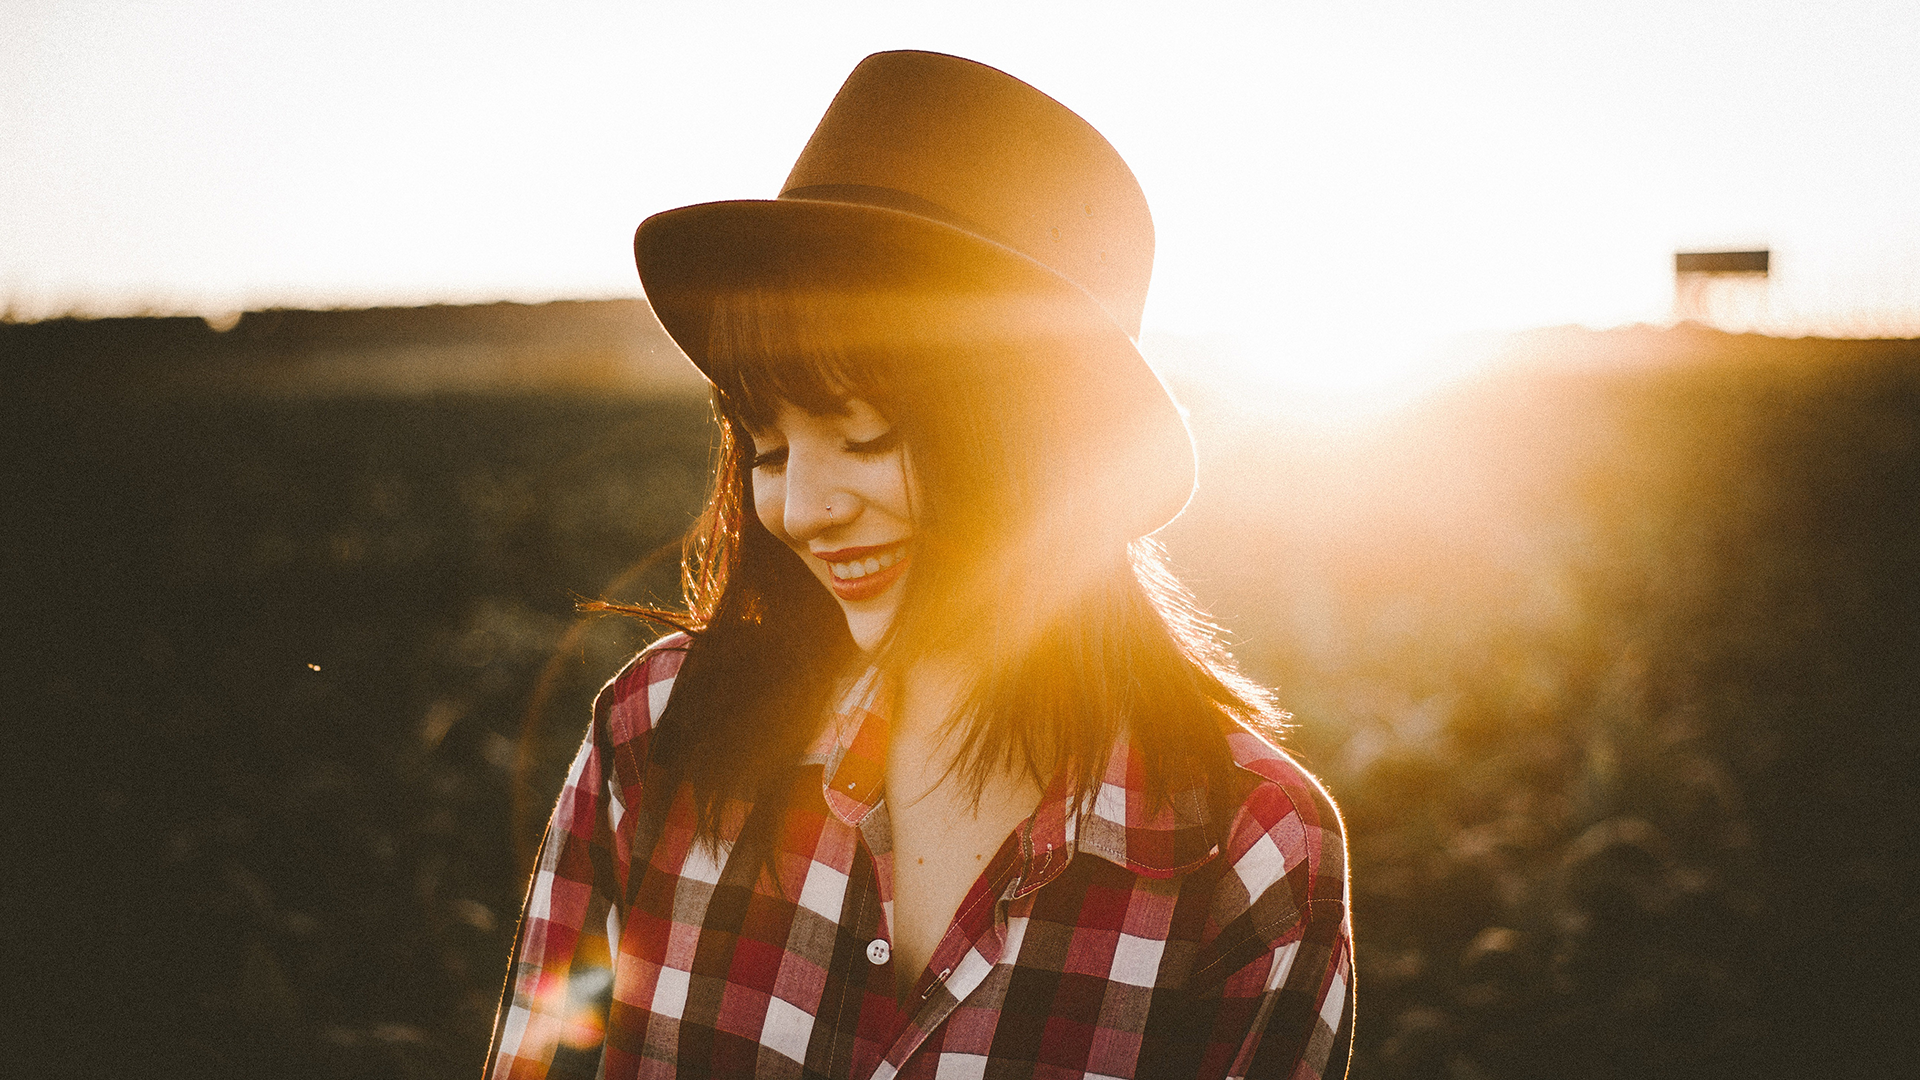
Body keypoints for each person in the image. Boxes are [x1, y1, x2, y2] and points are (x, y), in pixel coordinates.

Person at [485, 50, 1351, 1080]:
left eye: (864, 435)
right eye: (767, 445)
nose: (801, 509)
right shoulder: (657, 732)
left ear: (1038, 436)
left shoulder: (1254, 858)